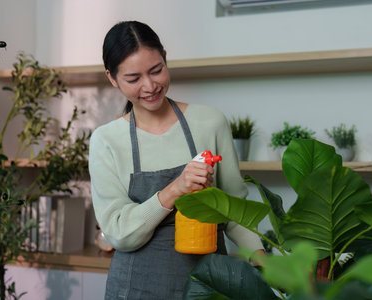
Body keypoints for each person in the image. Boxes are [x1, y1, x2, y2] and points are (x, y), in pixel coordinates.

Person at [89, 20, 264, 300]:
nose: (149, 86)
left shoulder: (210, 122)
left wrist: (262, 258)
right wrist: (176, 189)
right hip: (135, 289)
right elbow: (119, 233)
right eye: (133, 79)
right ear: (112, 78)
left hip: (211, 287)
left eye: (156, 70)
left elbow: (234, 211)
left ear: (165, 57)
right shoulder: (106, 141)